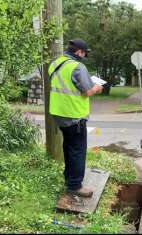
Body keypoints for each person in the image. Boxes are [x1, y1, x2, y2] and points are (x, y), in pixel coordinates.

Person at [49, 39, 103, 198]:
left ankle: (68, 177)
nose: (84, 56)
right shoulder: (78, 67)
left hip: (59, 113)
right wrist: (97, 88)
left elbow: (66, 84)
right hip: (74, 115)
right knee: (78, 150)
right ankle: (75, 185)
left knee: (68, 146)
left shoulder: (56, 63)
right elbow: (87, 91)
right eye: (84, 54)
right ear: (79, 52)